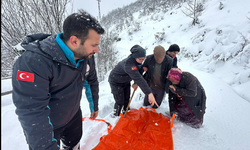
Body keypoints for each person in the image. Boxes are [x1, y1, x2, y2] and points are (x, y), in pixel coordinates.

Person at [12, 9, 105, 150]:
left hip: (73, 115)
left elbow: (91, 80)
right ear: (74, 41)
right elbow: (32, 112)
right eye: (94, 45)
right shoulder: (33, 62)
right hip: (49, 124)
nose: (97, 50)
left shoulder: (86, 55)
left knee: (74, 145)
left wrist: (94, 105)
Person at [108, 45, 158, 117]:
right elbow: (139, 78)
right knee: (120, 101)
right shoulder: (128, 64)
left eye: (143, 59)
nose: (142, 61)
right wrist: (149, 93)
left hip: (125, 81)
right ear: (135, 57)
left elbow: (138, 72)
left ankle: (126, 111)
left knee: (126, 98)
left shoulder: (137, 61)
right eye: (140, 59)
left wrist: (135, 82)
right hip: (116, 82)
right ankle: (116, 115)